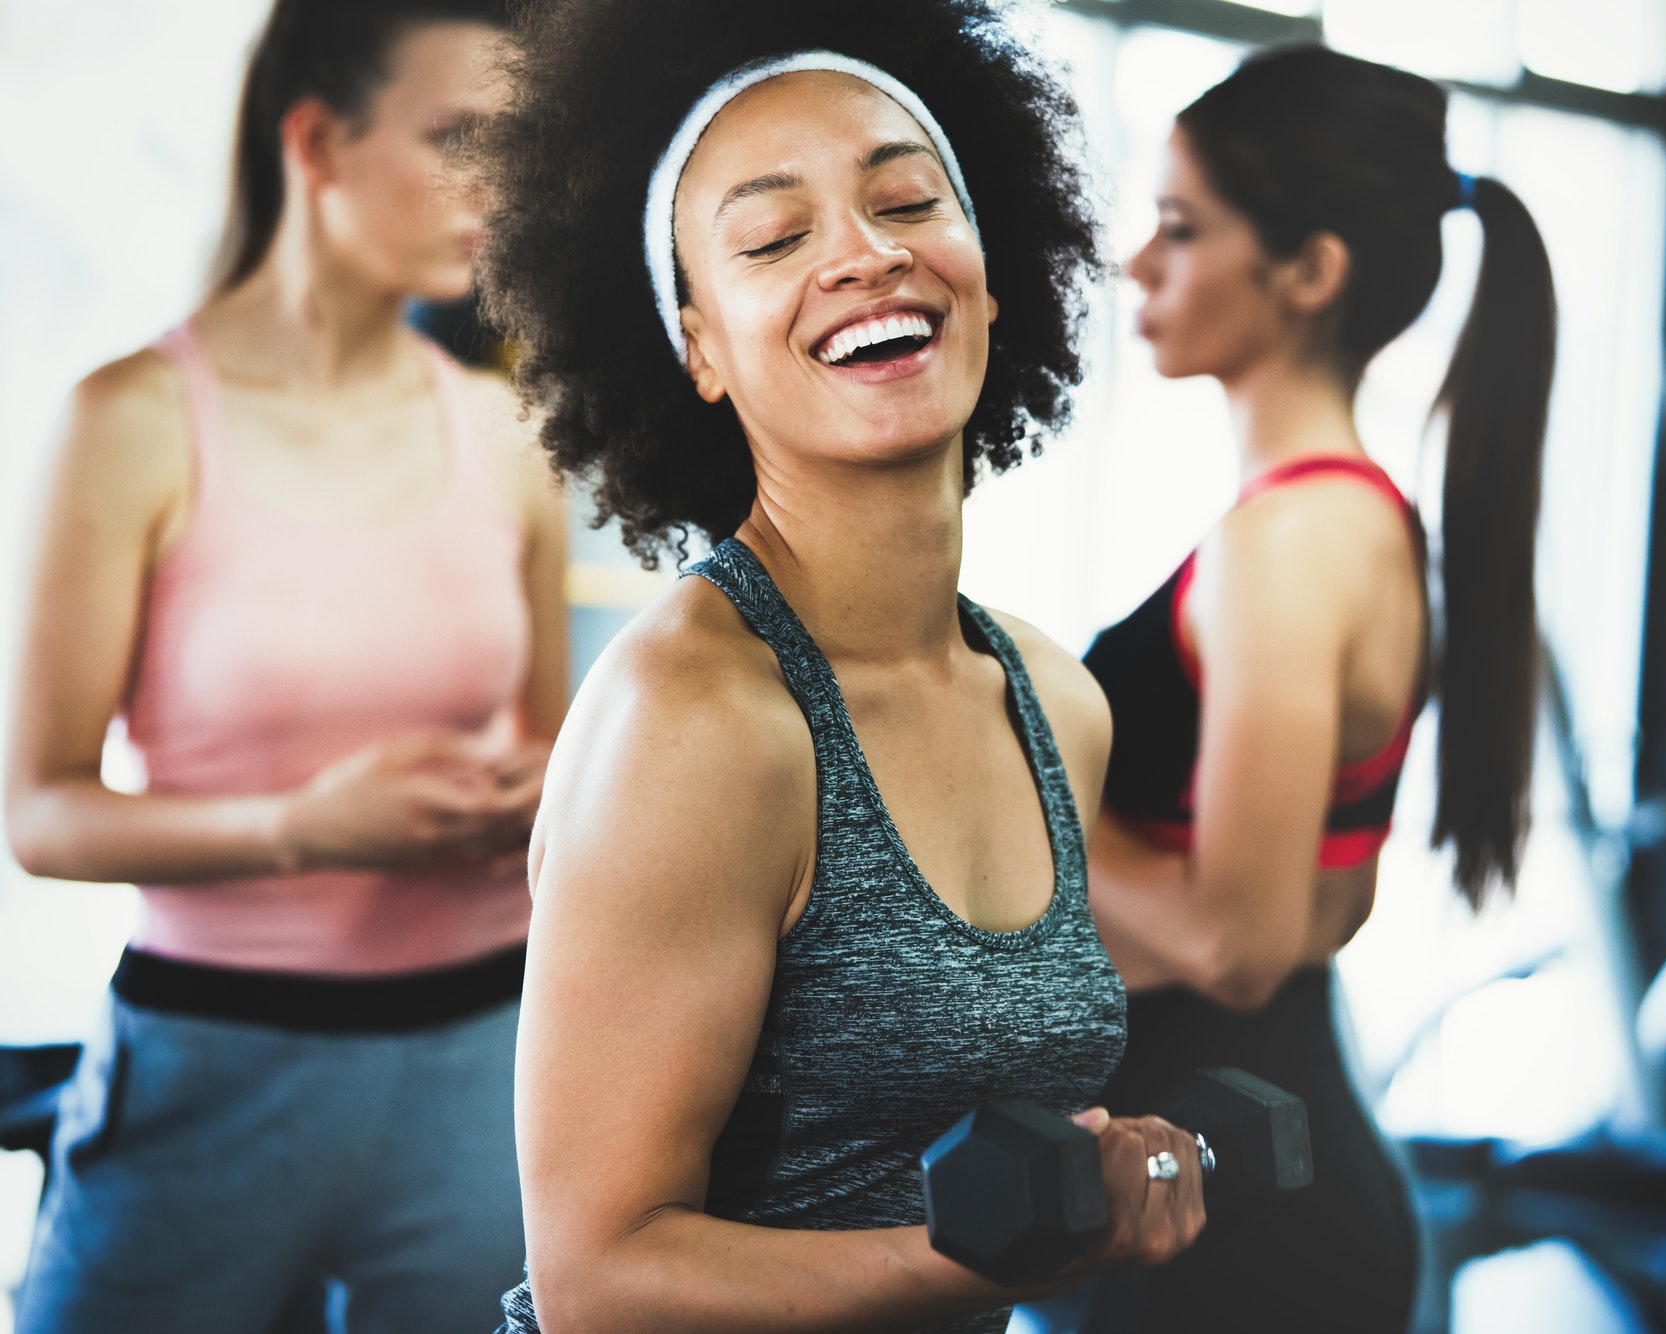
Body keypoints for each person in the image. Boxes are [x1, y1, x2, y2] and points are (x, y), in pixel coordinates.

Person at [473, 2, 1207, 1331]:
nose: (865, 256)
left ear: (990, 268)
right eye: (772, 236)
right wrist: (986, 1255)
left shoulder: (1056, 703)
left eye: (910, 200)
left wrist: (1101, 1169)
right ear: (697, 344)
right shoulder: (695, 717)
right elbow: (598, 1277)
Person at [3, 0, 569, 1328]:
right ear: (316, 142)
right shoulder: (131, 421)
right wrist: (304, 828)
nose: (499, 187)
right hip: (212, 1062)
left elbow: (553, 763)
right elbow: (39, 812)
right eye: (456, 139)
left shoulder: (509, 433)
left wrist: (543, 792)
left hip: (491, 1059)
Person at [1078, 44, 1558, 1332]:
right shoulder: (1351, 524)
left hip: (1235, 1226)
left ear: (1309, 270)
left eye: (1182, 229)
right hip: (1232, 1174)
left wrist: (1004, 803)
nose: (1140, 262)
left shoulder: (1290, 549)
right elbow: (1314, 909)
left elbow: (1236, 948)